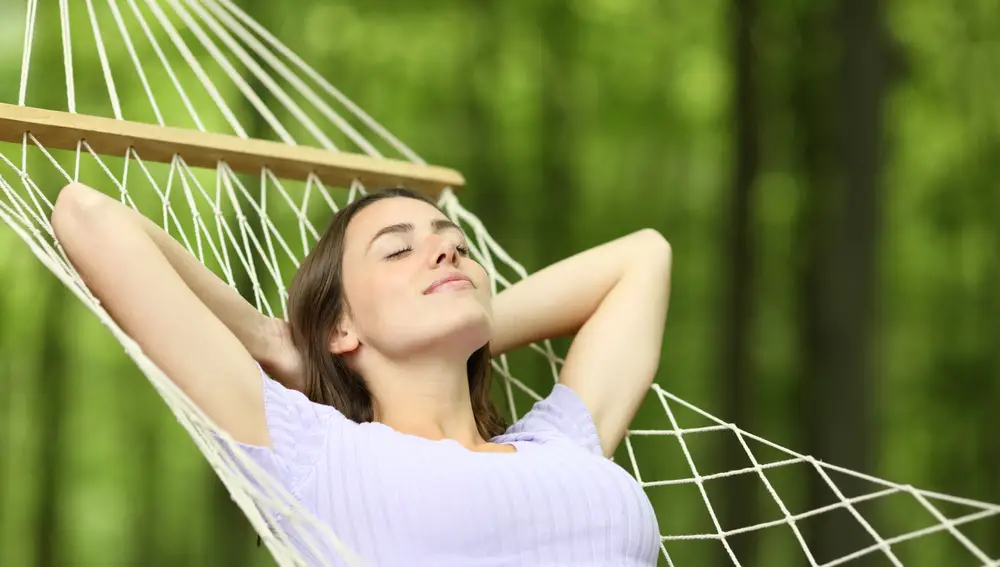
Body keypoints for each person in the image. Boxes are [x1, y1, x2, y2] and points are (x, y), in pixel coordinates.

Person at [51, 183, 673, 566]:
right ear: (340, 328)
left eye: (454, 244)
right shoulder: (312, 452)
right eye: (400, 250)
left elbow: (645, 255)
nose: (447, 251)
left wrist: (470, 322)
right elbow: (87, 215)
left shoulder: (562, 443)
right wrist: (274, 340)